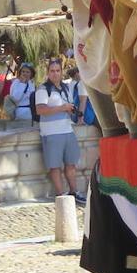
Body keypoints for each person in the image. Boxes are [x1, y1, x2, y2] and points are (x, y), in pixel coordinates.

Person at [35, 58, 82, 200]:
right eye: (52, 71)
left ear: (62, 72)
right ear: (48, 73)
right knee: (54, 166)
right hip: (51, 133)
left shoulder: (66, 87)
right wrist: (62, 108)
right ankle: (61, 196)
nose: (55, 74)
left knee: (71, 164)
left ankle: (74, 192)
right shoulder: (43, 89)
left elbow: (68, 106)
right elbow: (40, 110)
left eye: (57, 70)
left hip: (67, 130)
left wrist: (72, 111)